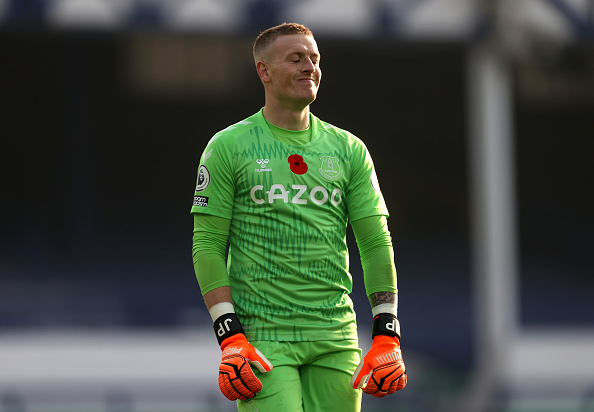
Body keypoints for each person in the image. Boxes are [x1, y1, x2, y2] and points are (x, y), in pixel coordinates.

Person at [191, 22, 407, 411]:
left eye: (314, 58)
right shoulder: (227, 146)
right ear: (264, 71)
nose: (310, 66)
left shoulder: (349, 149)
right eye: (296, 58)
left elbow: (376, 242)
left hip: (335, 337)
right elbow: (207, 244)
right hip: (263, 338)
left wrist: (387, 332)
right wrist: (230, 336)